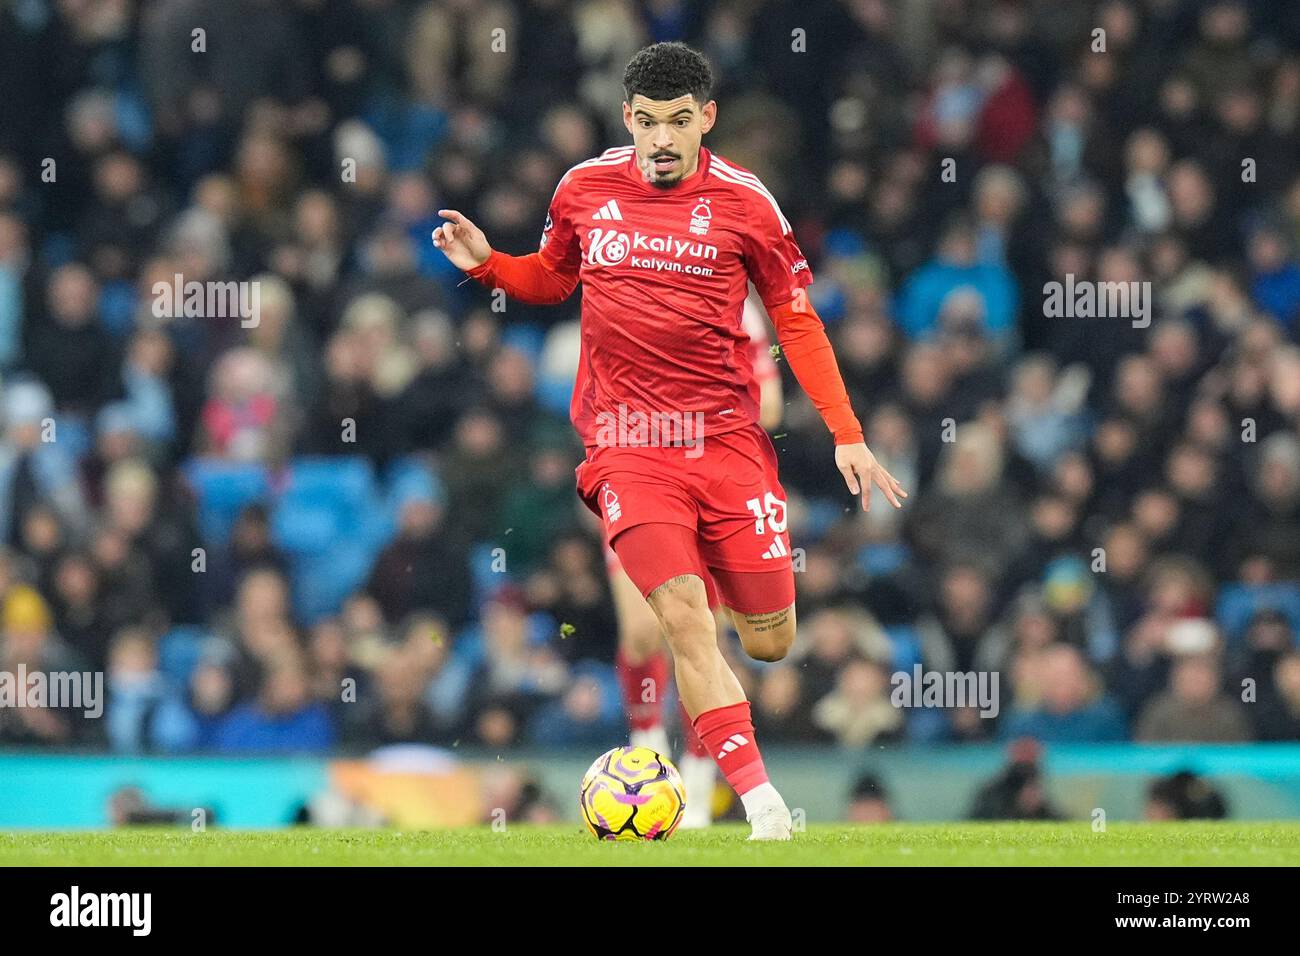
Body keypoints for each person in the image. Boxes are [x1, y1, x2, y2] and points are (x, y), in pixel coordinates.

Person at [435, 42, 906, 839]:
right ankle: (758, 807)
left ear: (706, 120)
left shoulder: (747, 205)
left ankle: (702, 726)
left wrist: (847, 435)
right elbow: (554, 277)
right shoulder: (583, 188)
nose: (660, 138)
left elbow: (795, 318)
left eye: (678, 122)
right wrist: (491, 268)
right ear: (627, 118)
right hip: (627, 445)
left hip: (726, 445)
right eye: (647, 122)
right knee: (681, 618)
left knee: (767, 642)